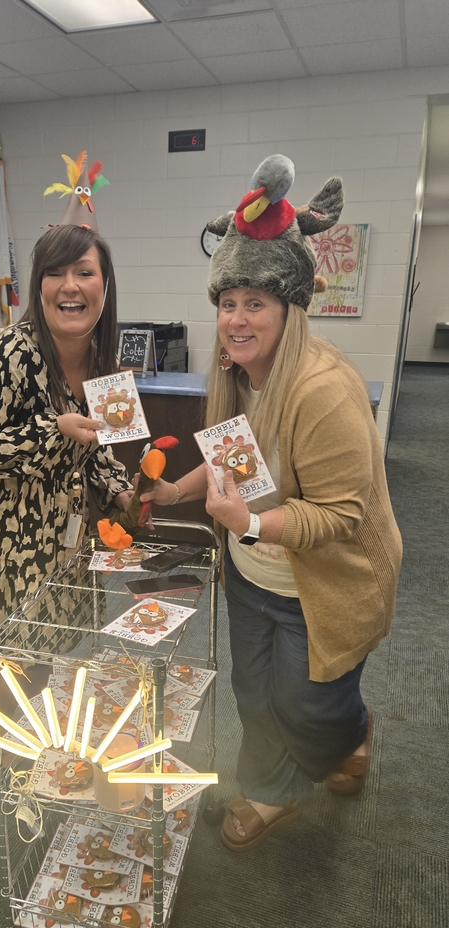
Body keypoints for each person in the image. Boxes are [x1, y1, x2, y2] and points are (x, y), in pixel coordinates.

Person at [143, 155, 402, 851]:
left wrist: (250, 522)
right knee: (254, 695)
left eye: (253, 303)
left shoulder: (322, 389)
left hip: (323, 581)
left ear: (288, 306)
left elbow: (341, 517)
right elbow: (231, 451)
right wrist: (175, 490)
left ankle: (350, 730)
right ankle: (268, 792)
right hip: (253, 576)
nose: (235, 318)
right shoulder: (236, 374)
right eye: (227, 303)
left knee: (311, 705)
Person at [0, 223, 133, 636]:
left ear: (105, 285)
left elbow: (95, 448)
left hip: (61, 532)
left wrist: (123, 492)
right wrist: (54, 431)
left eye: (84, 272)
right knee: (15, 657)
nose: (69, 286)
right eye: (54, 273)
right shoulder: (8, 352)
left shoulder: (102, 359)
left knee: (54, 647)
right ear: (39, 285)